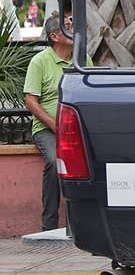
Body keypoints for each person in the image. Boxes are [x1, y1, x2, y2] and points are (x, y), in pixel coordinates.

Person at [23, 15, 89, 232]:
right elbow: (30, 101)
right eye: (67, 27)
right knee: (54, 161)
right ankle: (49, 226)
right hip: (47, 129)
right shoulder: (40, 61)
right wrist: (55, 125)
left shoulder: (83, 59)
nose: (73, 29)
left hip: (78, 129)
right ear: (54, 36)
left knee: (87, 163)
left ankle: (79, 225)